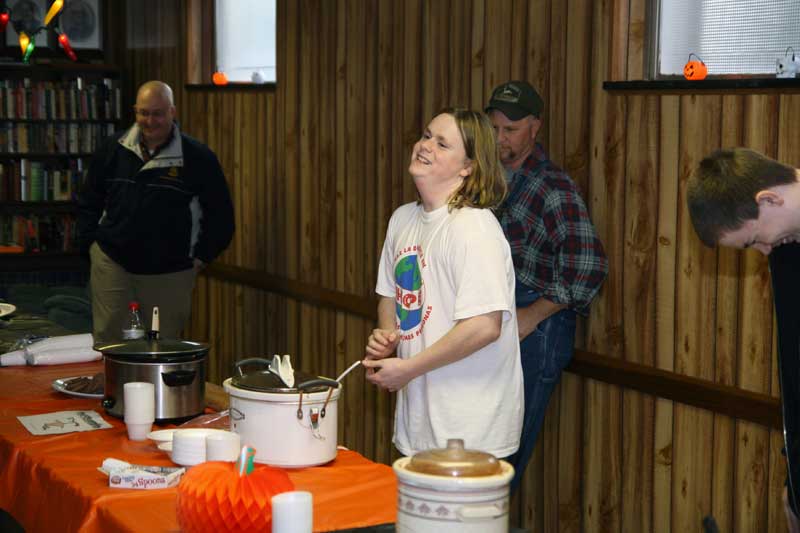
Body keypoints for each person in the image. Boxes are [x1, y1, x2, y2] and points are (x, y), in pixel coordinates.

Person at [363, 108, 523, 460]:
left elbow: (484, 326)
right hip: (417, 422)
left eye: (442, 143)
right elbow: (389, 296)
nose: (425, 146)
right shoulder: (402, 218)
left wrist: (407, 369)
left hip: (469, 430)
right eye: (426, 135)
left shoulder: (474, 228)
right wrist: (386, 335)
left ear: (468, 166)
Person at [485, 80, 609, 491]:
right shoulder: (486, 180)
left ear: (535, 128)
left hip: (536, 330)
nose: (501, 138)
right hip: (495, 322)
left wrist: (530, 316)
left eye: (511, 130)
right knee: (481, 457)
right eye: (495, 127)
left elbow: (588, 266)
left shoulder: (553, 186)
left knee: (502, 464)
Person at [686, 147, 800, 533]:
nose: (764, 252)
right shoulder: (786, 249)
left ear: (768, 199)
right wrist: (795, 481)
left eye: (754, 242)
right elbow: (795, 371)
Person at [77, 80, 234, 344]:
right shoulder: (112, 149)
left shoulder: (197, 157)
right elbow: (89, 200)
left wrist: (200, 258)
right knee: (108, 342)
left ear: (172, 112)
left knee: (161, 347)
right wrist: (90, 245)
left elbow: (221, 217)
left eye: (158, 113)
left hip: (169, 271)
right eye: (143, 113)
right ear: (135, 111)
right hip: (112, 261)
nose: (150, 121)